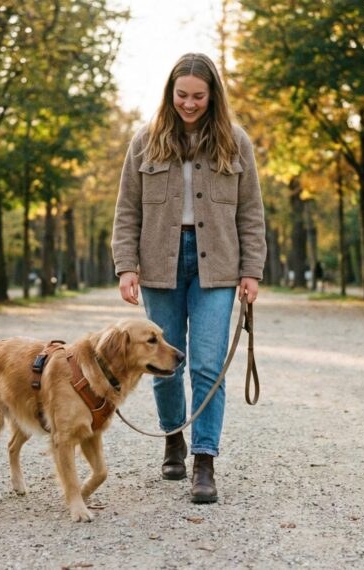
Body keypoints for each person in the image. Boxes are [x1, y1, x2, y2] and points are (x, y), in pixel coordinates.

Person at [111, 53, 266, 503]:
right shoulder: (145, 141)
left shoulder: (236, 142)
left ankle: (204, 460)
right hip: (160, 264)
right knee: (163, 365)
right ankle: (173, 440)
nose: (190, 104)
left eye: (199, 96)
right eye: (182, 95)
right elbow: (127, 209)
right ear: (170, 93)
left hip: (217, 266)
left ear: (213, 96)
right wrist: (126, 265)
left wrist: (251, 270)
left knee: (206, 366)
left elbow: (251, 212)